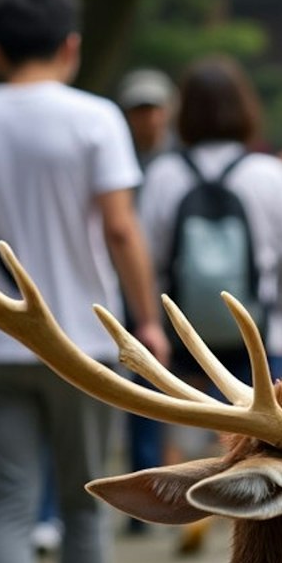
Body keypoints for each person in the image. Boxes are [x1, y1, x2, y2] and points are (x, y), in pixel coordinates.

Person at [0, 0, 166, 563]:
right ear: (71, 45)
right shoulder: (95, 119)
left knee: (7, 503)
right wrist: (146, 321)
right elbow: (120, 227)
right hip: (85, 344)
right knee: (85, 503)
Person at [139, 55, 282, 551]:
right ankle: (262, 525)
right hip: (261, 331)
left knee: (193, 419)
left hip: (186, 331)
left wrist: (153, 321)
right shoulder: (268, 172)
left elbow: (149, 258)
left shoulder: (165, 174)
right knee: (267, 430)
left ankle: (193, 501)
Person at [116, 67, 178, 499]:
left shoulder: (175, 162)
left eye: (153, 108)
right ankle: (146, 474)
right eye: (139, 110)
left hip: (171, 290)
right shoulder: (118, 156)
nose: (148, 118)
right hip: (123, 288)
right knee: (138, 389)